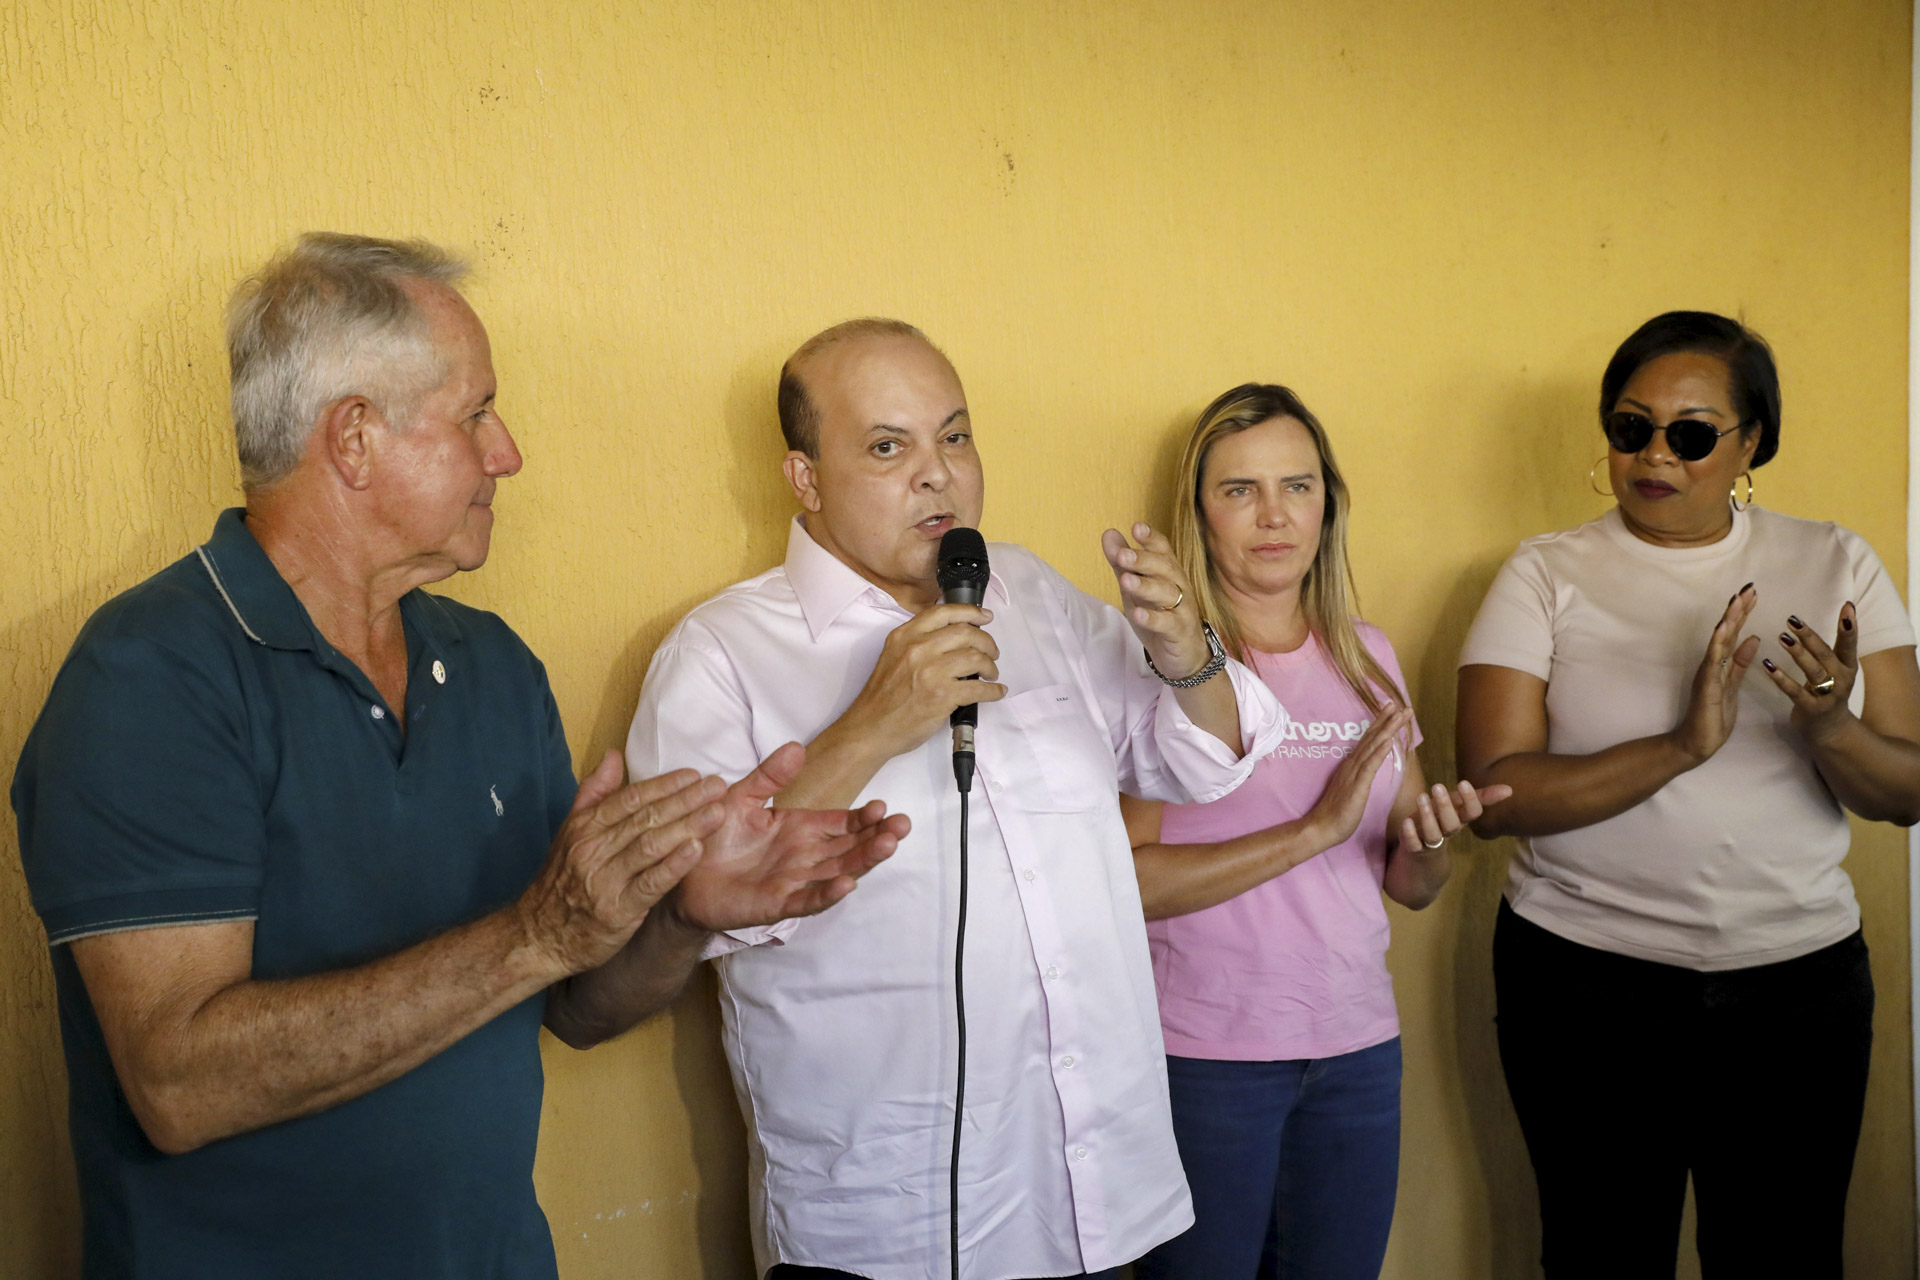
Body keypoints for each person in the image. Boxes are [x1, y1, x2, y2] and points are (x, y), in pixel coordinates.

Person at [10, 233, 908, 1280]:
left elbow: (573, 1001)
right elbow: (176, 1084)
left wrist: (681, 914)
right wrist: (536, 931)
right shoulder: (150, 675)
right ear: (354, 439)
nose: (508, 451)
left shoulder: (492, 667)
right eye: (476, 412)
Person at [622, 317, 1289, 1280]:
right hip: (887, 1226)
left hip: (1093, 1199)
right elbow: (684, 916)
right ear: (804, 478)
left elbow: (1203, 764)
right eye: (888, 447)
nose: (938, 473)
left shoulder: (1032, 596)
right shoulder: (718, 655)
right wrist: (871, 727)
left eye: (956, 435)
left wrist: (1189, 658)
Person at [1455, 311, 1920, 1279]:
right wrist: (1680, 744)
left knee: (1785, 1254)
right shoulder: (1545, 571)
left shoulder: (1838, 562)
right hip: (1584, 985)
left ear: (1753, 443)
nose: (1656, 454)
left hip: (1797, 990)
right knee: (1600, 1252)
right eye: (1632, 428)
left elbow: (1908, 792)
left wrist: (1831, 725)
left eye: (1693, 432)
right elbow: (1497, 793)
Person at [1120, 384, 1506, 1280]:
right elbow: (1125, 881)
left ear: (1327, 502)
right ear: (1197, 512)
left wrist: (1435, 841)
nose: (1272, 516)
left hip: (1356, 1052)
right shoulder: (1164, 664)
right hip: (1206, 1059)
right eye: (1239, 489)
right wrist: (1314, 827)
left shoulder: (1366, 653)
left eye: (1296, 486)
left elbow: (1411, 886)